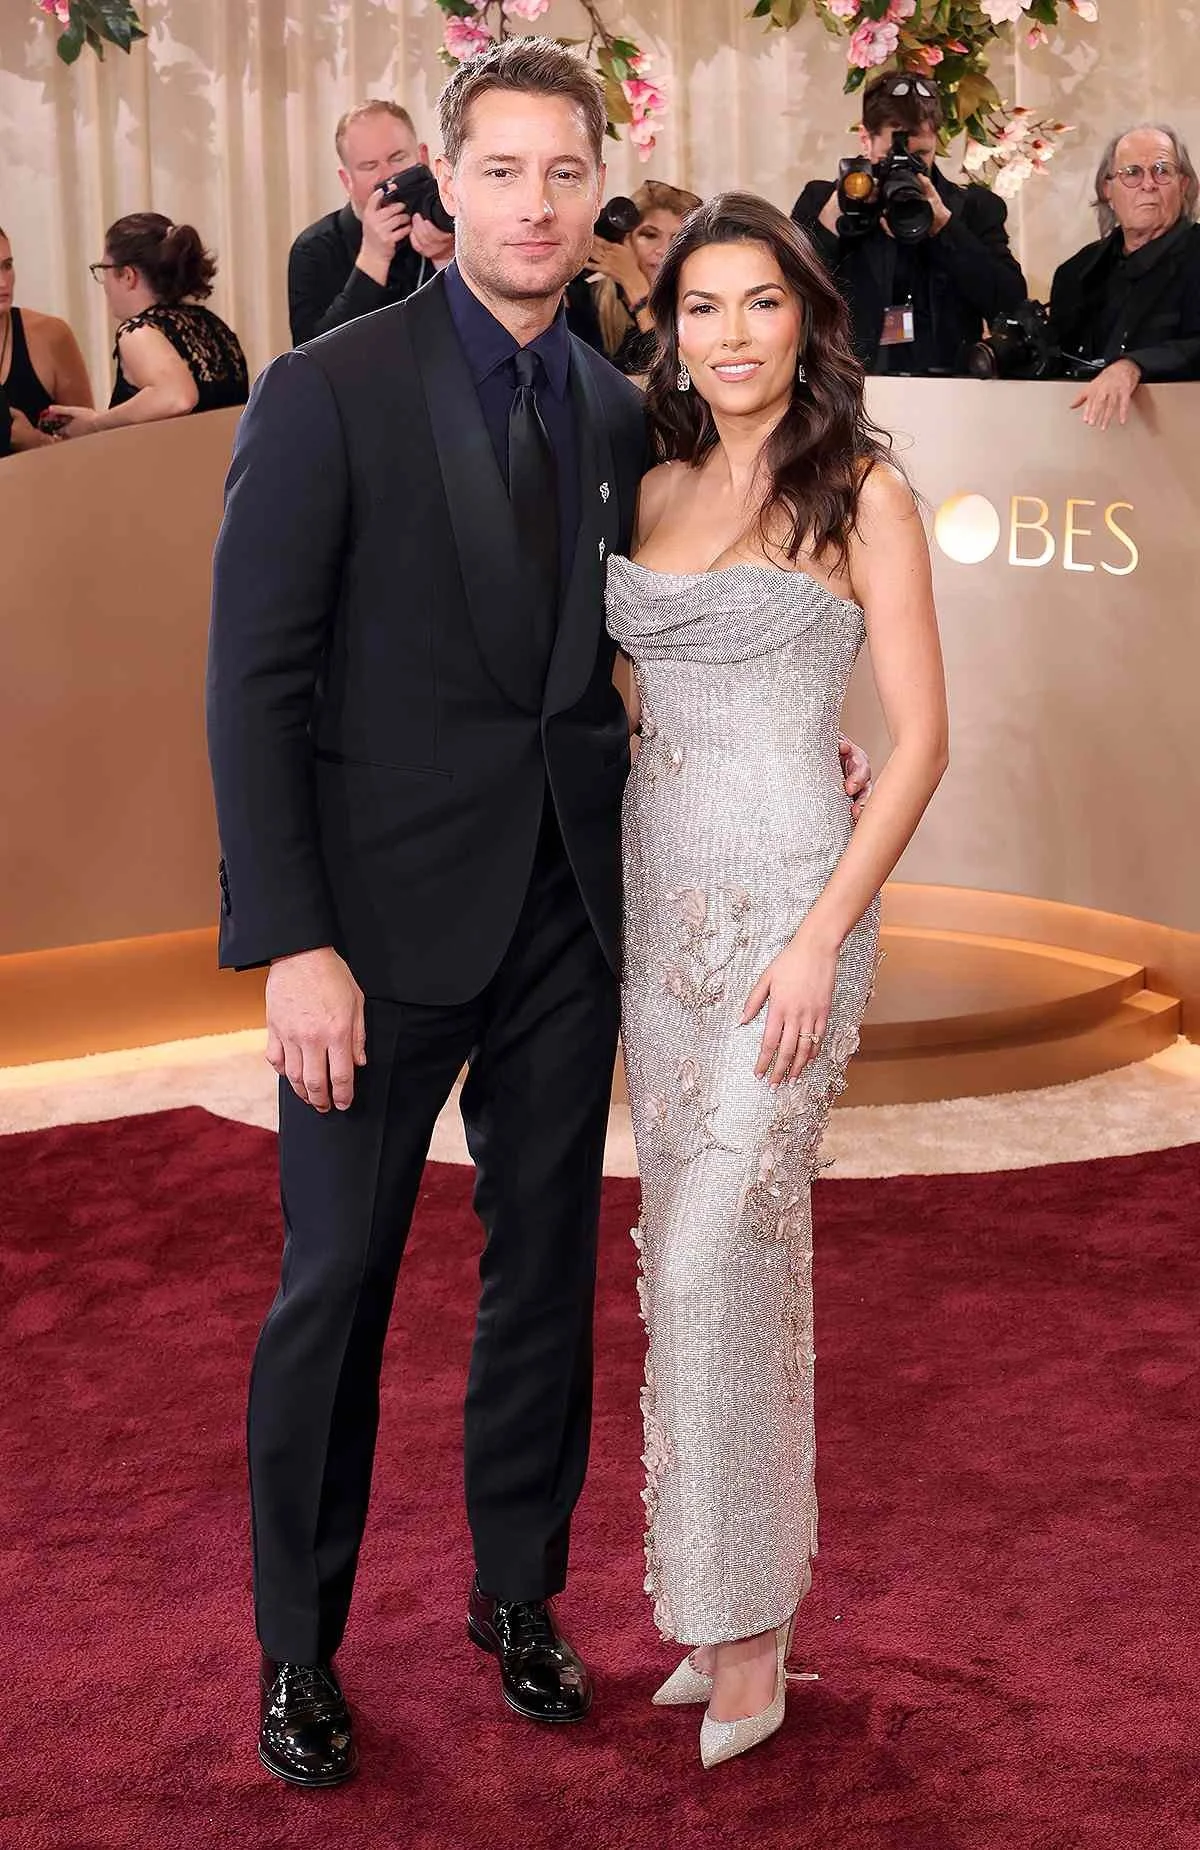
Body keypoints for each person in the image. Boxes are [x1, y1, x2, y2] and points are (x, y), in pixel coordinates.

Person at [208, 36, 876, 1790]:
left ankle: (520, 1598)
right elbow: (253, 683)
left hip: (578, 921)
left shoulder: (612, 408)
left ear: (599, 195)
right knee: (336, 1284)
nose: (532, 203)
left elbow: (630, 647)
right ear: (447, 186)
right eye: (497, 171)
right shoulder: (326, 390)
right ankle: (298, 1650)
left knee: (544, 1283)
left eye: (562, 174)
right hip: (366, 941)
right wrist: (293, 940)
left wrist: (812, 732)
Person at [606, 192, 948, 1768]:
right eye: (700, 309)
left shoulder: (861, 486)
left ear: (806, 319)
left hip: (791, 922)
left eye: (759, 305)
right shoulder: (653, 477)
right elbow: (630, 691)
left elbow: (929, 737)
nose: (729, 336)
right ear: (669, 327)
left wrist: (819, 931)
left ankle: (744, 1644)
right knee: (703, 1255)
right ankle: (732, 1607)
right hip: (655, 912)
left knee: (711, 1253)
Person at [791, 71, 1026, 375]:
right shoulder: (821, 200)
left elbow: (1009, 304)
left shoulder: (974, 208)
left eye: (921, 155)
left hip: (947, 391)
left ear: (937, 141)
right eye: (892, 155)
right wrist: (837, 212)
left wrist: (946, 228)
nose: (907, 165)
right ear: (866, 139)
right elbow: (787, 297)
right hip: (847, 389)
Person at [1050, 123, 1200, 430]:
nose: (1148, 184)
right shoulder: (1076, 272)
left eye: (1162, 171)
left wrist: (1134, 365)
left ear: (1183, 184)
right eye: (1132, 173)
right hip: (1085, 443)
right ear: (1108, 190)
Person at [47, 214, 248, 439]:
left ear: (127, 276)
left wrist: (96, 423)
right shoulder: (212, 325)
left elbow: (177, 397)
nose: (104, 286)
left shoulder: (138, 331)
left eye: (104, 270)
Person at [287, 99, 457, 346]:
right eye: (369, 166)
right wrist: (374, 257)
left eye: (397, 157)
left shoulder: (454, 223)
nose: (387, 176)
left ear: (423, 157)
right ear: (347, 180)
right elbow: (309, 362)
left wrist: (447, 258)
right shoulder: (314, 248)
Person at [589, 180, 701, 375]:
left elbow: (669, 374)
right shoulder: (587, 299)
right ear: (625, 240)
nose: (664, 250)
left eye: (678, 239)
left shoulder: (702, 304)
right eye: (649, 235)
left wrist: (637, 288)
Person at [0, 225, 93, 451]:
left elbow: (89, 444)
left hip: (43, 483)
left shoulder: (50, 335)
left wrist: (35, 441)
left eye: (7, 266)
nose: (3, 282)